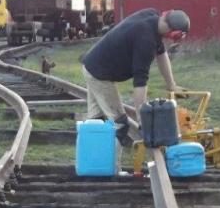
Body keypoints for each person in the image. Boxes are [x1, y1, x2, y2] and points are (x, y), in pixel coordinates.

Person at [81, 8, 190, 146]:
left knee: (96, 122)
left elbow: (161, 53)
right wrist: (142, 119)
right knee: (119, 125)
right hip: (99, 75)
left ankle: (92, 161)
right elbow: (140, 83)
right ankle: (109, 165)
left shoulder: (152, 15)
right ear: (175, 34)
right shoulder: (146, 41)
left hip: (93, 65)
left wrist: (171, 85)